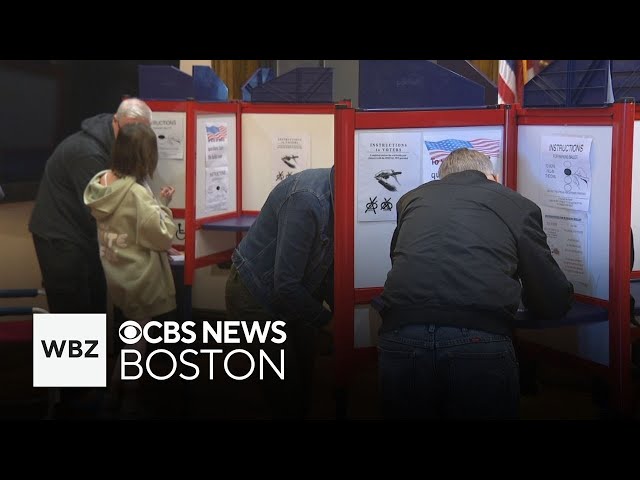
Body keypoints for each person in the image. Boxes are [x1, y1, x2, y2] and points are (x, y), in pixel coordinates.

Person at [376, 148, 574, 420]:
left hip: (400, 332)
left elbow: (399, 259)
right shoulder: (516, 204)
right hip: (478, 336)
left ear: (441, 177)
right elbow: (550, 297)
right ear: (493, 177)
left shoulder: (412, 199)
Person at [28, 97, 153, 417]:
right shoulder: (88, 152)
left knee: (94, 310)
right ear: (117, 123)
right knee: (73, 316)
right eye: (132, 131)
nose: (135, 139)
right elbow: (105, 209)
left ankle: (88, 393)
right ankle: (72, 403)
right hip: (60, 238)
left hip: (84, 238)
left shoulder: (113, 143)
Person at [225, 167, 335, 419]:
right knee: (286, 392)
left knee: (301, 386)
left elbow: (328, 269)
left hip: (294, 294)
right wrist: (330, 322)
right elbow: (285, 283)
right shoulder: (308, 199)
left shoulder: (339, 195)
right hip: (255, 295)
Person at [84, 122, 177, 418]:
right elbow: (161, 236)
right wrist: (163, 205)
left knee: (128, 339)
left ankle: (114, 392)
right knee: (137, 345)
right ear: (145, 157)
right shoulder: (137, 193)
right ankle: (124, 399)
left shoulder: (101, 182)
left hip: (116, 274)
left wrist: (154, 201)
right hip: (141, 278)